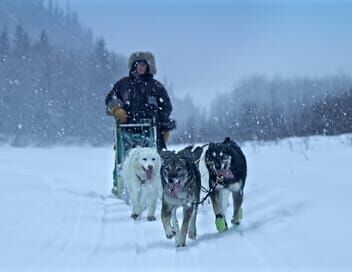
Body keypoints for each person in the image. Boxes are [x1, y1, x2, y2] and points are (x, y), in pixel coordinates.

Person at [105, 51, 175, 151]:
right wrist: (116, 109)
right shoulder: (123, 84)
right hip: (126, 130)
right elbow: (110, 99)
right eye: (140, 65)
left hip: (151, 130)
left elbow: (166, 107)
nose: (142, 68)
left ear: (148, 67)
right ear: (134, 65)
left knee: (153, 161)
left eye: (144, 65)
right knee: (126, 162)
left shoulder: (156, 87)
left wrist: (164, 127)